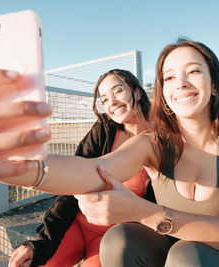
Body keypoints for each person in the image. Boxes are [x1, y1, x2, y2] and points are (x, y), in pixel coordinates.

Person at [0, 38, 219, 266]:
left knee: (188, 256)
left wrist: (143, 212)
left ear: (214, 85)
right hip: (155, 246)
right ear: (164, 93)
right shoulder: (155, 142)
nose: (180, 83)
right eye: (169, 77)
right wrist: (14, 164)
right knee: (120, 239)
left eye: (193, 71)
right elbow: (91, 171)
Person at [8, 69, 154, 267]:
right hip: (77, 224)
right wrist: (40, 244)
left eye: (118, 91)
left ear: (137, 92)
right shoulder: (103, 129)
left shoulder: (160, 140)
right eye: (104, 99)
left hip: (113, 238)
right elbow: (72, 187)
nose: (112, 103)